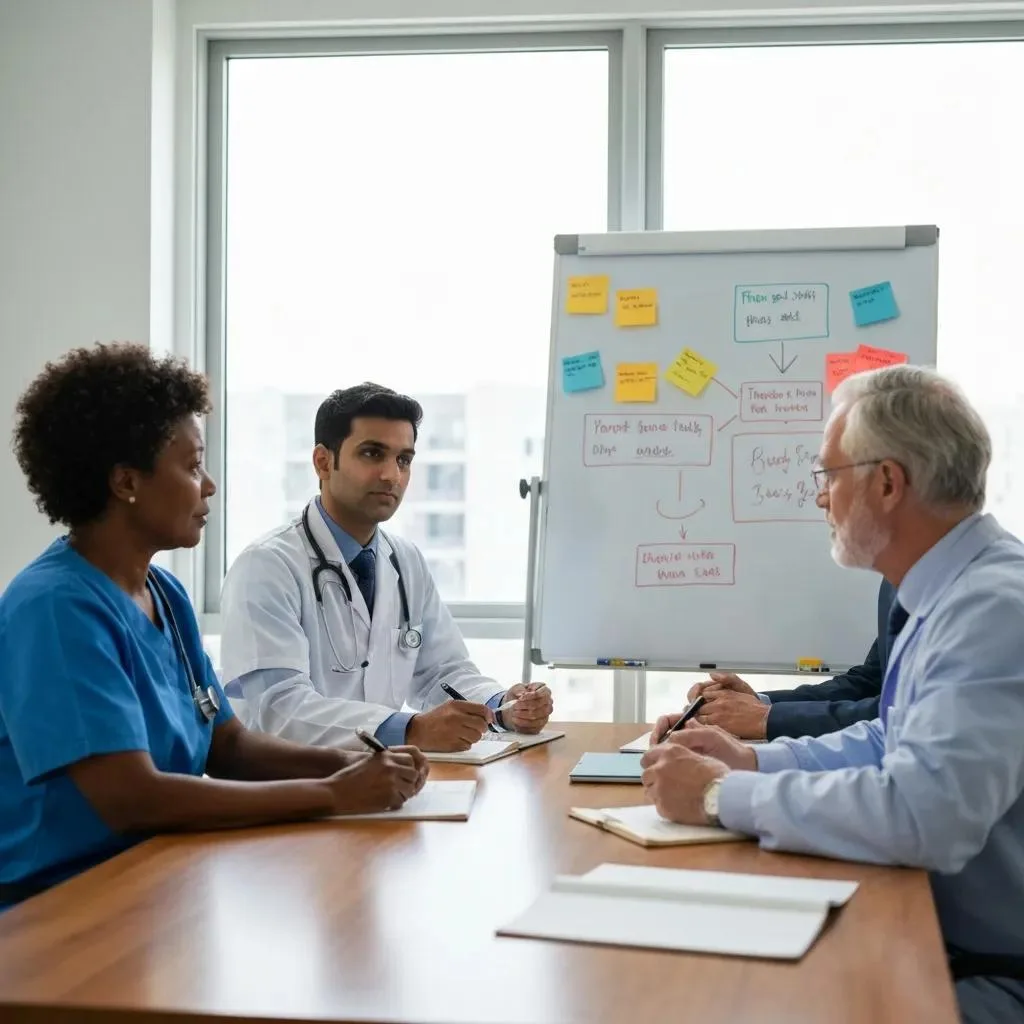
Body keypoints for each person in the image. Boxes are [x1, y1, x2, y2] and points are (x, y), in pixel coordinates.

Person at [640, 365, 1024, 1024]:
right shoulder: (948, 590)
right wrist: (752, 760)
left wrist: (716, 794)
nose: (820, 498)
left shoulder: (992, 609)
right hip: (941, 929)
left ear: (886, 482)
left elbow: (925, 813)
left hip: (993, 969)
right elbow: (889, 738)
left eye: (827, 475)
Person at [0, 345, 427, 909]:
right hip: (59, 901)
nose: (209, 486)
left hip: (157, 876)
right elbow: (131, 798)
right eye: (192, 464)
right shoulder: (54, 608)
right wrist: (330, 792)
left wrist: (360, 763)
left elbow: (227, 746)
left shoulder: (164, 593)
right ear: (127, 481)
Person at [219, 383, 554, 752]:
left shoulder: (405, 560)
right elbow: (278, 710)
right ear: (323, 461)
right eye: (372, 453)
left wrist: (502, 706)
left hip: (381, 781)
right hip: (291, 790)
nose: (392, 476)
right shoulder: (267, 566)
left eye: (403, 460)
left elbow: (442, 672)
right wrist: (408, 730)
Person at [667, 579, 894, 741]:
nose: (822, 507)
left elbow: (897, 716)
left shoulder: (921, 586)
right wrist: (759, 703)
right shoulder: (894, 584)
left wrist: (765, 719)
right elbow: (867, 682)